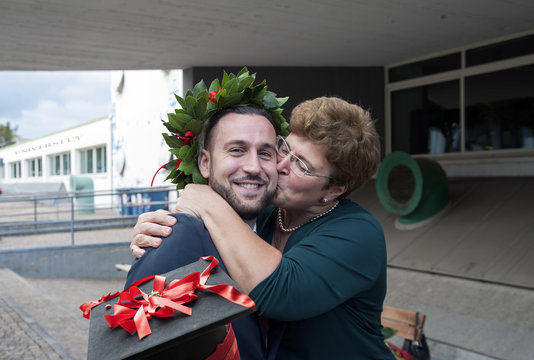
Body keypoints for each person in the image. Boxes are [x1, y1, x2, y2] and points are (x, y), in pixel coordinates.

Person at [132, 96, 395, 359]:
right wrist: (154, 229)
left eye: (301, 165)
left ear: (335, 189)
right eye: (284, 149)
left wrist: (210, 203)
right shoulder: (268, 212)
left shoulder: (358, 233)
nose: (279, 166)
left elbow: (278, 292)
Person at [125, 68, 290, 360]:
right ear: (204, 163)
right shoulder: (178, 236)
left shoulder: (277, 229)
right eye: (237, 150)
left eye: (265, 153)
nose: (253, 166)